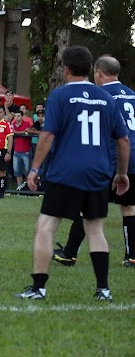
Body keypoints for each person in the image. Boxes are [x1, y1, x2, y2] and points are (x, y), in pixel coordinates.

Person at [17, 46, 130, 302]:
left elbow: (47, 135)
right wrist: (121, 173)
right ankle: (103, 289)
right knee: (95, 229)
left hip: (65, 170)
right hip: (98, 172)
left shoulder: (60, 96)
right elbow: (123, 141)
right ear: (91, 68)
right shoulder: (106, 99)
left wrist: (34, 169)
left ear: (65, 68)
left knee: (46, 226)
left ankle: (39, 287)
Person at [52, 55, 135, 269]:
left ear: (98, 73)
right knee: (129, 206)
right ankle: (132, 255)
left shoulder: (100, 96)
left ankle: (69, 253)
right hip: (133, 157)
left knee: (87, 206)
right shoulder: (133, 95)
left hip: (111, 158)